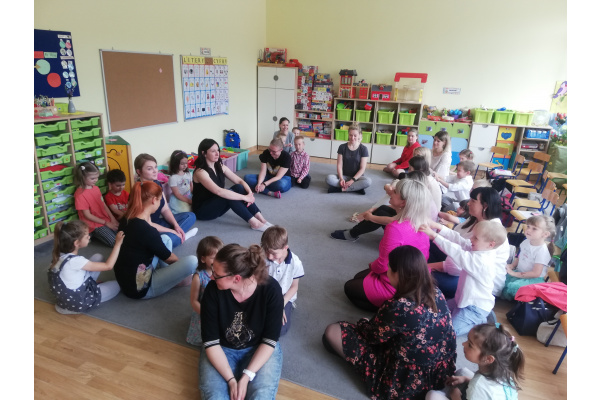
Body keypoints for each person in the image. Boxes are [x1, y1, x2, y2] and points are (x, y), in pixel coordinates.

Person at [323, 246, 457, 400]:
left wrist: (363, 323)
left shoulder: (399, 306)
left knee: (332, 332)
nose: (386, 271)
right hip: (440, 373)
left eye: (389, 268)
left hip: (406, 380)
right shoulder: (436, 292)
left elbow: (371, 337)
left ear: (397, 274)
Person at [198, 244, 284, 400]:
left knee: (262, 396)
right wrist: (231, 380)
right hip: (221, 348)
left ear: (236, 278)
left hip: (259, 347)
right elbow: (211, 342)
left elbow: (270, 340)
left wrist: (246, 377)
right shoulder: (212, 291)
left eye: (216, 274)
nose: (211, 277)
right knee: (215, 397)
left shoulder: (271, 290)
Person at [343, 178, 432, 311]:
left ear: (403, 202)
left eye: (395, 191)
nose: (391, 191)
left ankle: (390, 307)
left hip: (398, 283)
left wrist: (372, 266)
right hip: (412, 279)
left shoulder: (395, 228)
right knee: (359, 277)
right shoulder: (421, 222)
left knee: (349, 287)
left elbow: (382, 265)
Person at [420, 220, 507, 336]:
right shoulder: (480, 249)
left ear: (491, 244)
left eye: (475, 238)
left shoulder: (482, 261)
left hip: (474, 308)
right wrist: (439, 227)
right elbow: (459, 240)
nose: (471, 239)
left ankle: (479, 323)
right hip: (461, 301)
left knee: (448, 333)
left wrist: (434, 236)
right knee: (436, 313)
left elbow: (457, 252)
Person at [114, 181, 198, 299]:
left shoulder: (126, 218)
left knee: (165, 239)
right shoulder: (148, 231)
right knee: (192, 262)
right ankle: (172, 281)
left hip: (125, 279)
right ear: (154, 200)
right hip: (140, 288)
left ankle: (168, 276)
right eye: (160, 200)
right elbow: (170, 258)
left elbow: (149, 225)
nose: (160, 203)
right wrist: (185, 270)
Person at [429, 187, 510, 300]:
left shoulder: (491, 231)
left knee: (422, 275)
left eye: (473, 200)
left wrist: (428, 266)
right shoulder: (474, 218)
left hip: (477, 285)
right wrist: (436, 229)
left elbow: (457, 265)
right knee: (430, 245)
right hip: (461, 265)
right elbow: (458, 239)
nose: (468, 203)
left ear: (485, 206)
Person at [332, 166, 437, 242]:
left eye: (395, 192)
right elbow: (396, 212)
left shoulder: (415, 209)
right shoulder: (416, 201)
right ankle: (354, 232)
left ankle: (352, 234)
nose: (392, 192)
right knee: (383, 208)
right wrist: (373, 210)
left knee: (381, 214)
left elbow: (392, 220)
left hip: (408, 241)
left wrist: (371, 217)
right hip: (410, 233)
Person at [426, 323, 524, 400]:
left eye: (470, 345)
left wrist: (456, 397)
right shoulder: (503, 372)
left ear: (488, 359)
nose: (463, 344)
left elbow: (481, 387)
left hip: (475, 391)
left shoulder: (477, 385)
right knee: (463, 372)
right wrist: (466, 379)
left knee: (432, 396)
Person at [193, 139, 272, 232]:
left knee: (239, 187)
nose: (217, 153)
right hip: (203, 210)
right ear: (204, 153)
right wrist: (244, 197)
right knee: (228, 194)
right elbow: (219, 191)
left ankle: (261, 219)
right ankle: (255, 223)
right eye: (213, 151)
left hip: (217, 203)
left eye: (218, 150)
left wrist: (249, 193)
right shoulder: (200, 172)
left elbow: (239, 180)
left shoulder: (219, 166)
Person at [48, 220, 123, 314]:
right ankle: (85, 298)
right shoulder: (76, 261)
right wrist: (117, 244)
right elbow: (108, 266)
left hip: (64, 301)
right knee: (118, 284)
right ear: (76, 243)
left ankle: (91, 284)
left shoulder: (59, 255)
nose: (89, 237)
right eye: (87, 236)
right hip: (78, 302)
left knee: (98, 257)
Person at [134, 153, 197, 248]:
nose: (155, 171)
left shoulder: (157, 183)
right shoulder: (139, 190)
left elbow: (165, 209)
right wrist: (171, 230)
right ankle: (178, 237)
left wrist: (176, 226)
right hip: (147, 228)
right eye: (149, 169)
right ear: (139, 171)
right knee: (154, 240)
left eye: (155, 167)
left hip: (158, 222)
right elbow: (146, 224)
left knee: (190, 216)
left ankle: (173, 237)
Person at [261, 225, 305, 336]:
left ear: (285, 247)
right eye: (266, 251)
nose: (269, 257)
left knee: (279, 329)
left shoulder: (296, 263)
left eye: (273, 253)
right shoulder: (262, 258)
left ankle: (288, 307)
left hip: (284, 297)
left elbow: (294, 286)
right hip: (265, 294)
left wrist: (281, 305)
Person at [502, 215, 555, 300]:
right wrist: (512, 265)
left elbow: (536, 273)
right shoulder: (526, 242)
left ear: (545, 234)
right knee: (501, 279)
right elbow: (520, 257)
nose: (528, 230)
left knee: (516, 288)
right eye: (528, 226)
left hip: (533, 279)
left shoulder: (542, 251)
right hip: (520, 272)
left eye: (534, 229)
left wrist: (514, 274)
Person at [187, 236, 224, 346]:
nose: (217, 261)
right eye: (213, 258)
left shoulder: (224, 272)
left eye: (220, 257)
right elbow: (194, 301)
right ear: (203, 259)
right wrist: (207, 314)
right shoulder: (198, 277)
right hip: (205, 311)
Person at [74, 161, 119, 247]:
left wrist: (112, 219)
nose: (96, 180)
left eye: (97, 177)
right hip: (94, 225)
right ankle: (92, 234)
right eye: (92, 178)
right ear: (82, 177)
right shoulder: (80, 195)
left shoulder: (96, 188)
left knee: (122, 233)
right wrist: (106, 223)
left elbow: (103, 205)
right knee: (115, 242)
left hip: (104, 219)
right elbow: (88, 216)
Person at [326, 125, 372, 194]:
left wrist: (352, 180)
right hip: (344, 176)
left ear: (359, 135)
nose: (352, 138)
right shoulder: (342, 147)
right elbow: (339, 165)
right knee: (329, 178)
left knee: (368, 181)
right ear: (348, 134)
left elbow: (362, 169)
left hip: (357, 178)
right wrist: (341, 179)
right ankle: (356, 188)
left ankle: (341, 189)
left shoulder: (363, 149)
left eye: (355, 135)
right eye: (350, 135)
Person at [168, 150, 193, 214]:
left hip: (188, 195)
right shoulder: (173, 177)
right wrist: (188, 201)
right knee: (184, 210)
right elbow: (177, 194)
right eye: (182, 164)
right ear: (175, 163)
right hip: (178, 198)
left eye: (186, 163)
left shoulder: (188, 173)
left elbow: (191, 185)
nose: (185, 165)